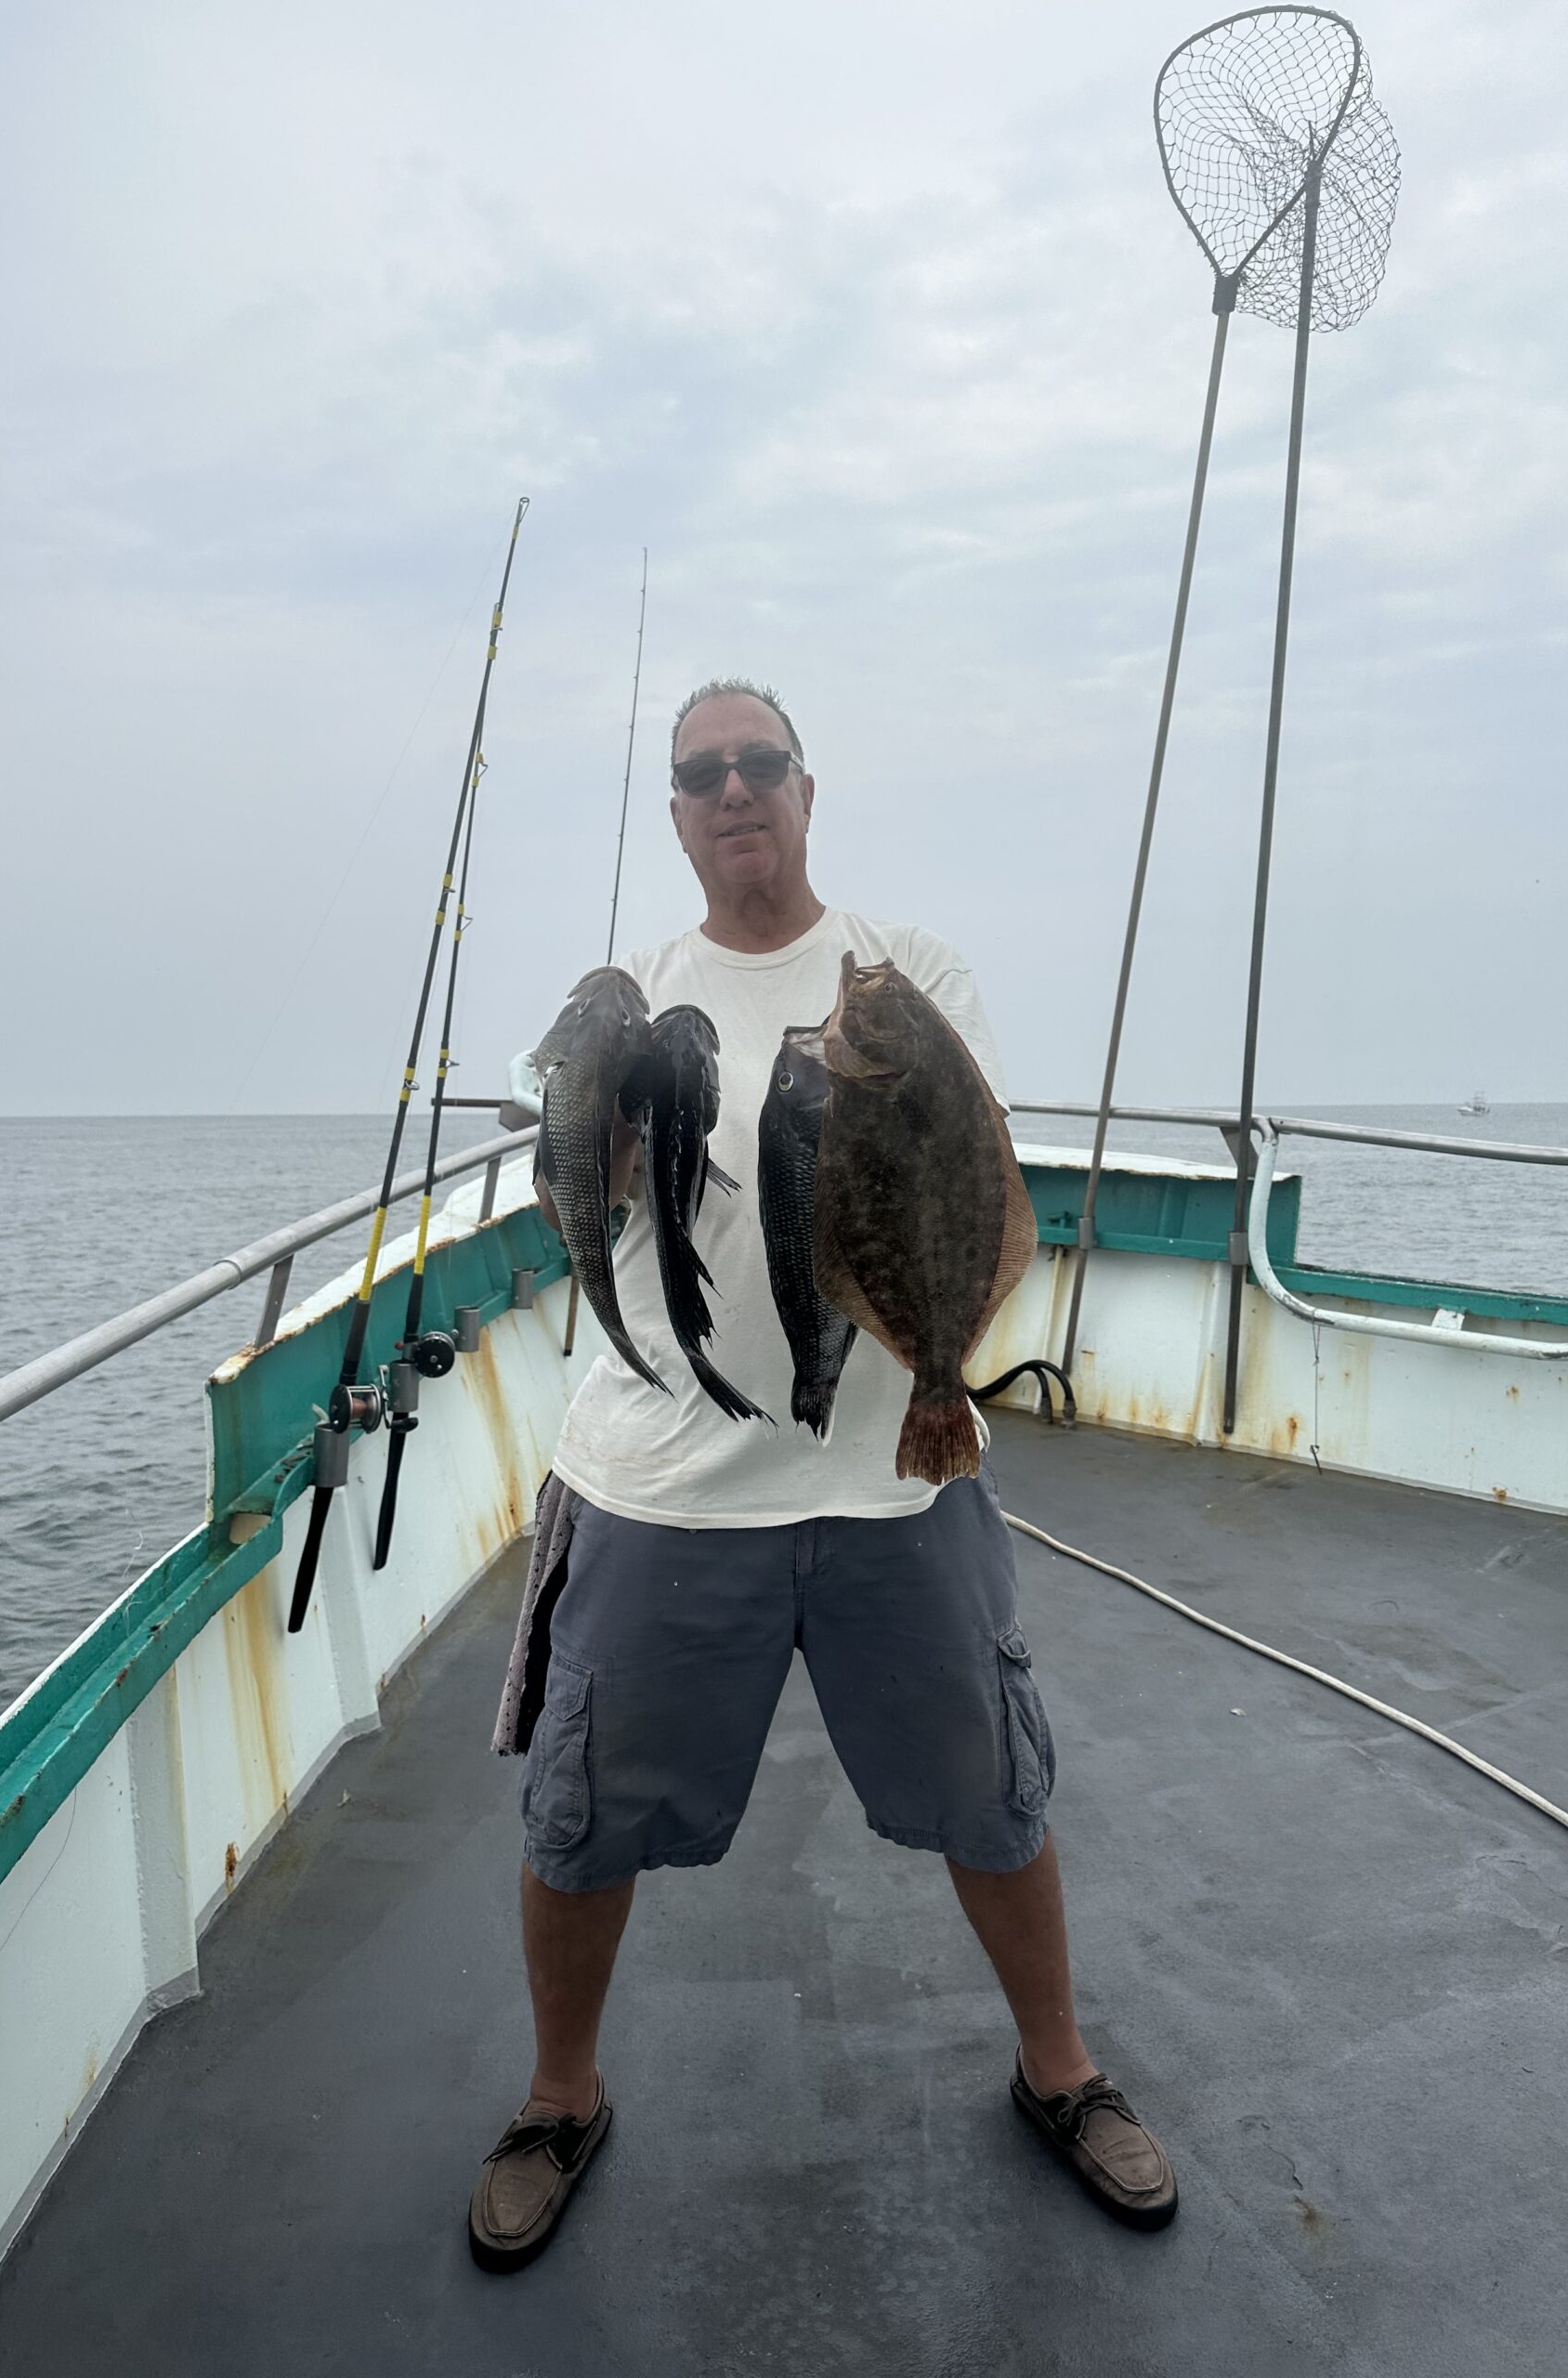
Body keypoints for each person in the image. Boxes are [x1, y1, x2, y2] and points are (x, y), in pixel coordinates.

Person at [469, 679, 1176, 2269]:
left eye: (760, 765)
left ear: (805, 789)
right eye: (702, 773)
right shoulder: (627, 1001)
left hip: (896, 1484)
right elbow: (578, 1181)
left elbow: (960, 1171)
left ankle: (1058, 2069)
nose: (735, 792)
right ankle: (558, 2098)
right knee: (579, 1819)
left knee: (992, 1790)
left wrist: (931, 1338)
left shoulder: (909, 977)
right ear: (676, 812)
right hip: (659, 1483)